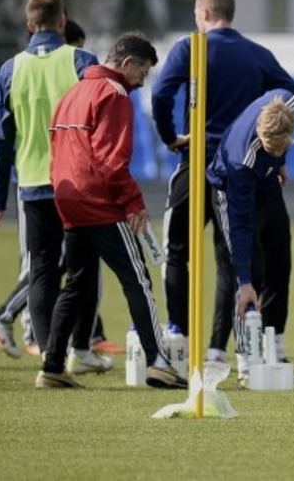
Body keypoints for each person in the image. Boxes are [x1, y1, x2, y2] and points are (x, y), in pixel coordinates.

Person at [151, 0, 294, 373]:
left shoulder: (191, 48)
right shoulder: (256, 54)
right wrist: (276, 151)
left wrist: (170, 136)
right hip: (246, 170)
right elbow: (292, 98)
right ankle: (240, 350)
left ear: (203, 14)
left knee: (178, 251)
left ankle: (178, 338)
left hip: (198, 159)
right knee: (238, 257)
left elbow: (161, 94)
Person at [37, 33, 184, 389]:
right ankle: (159, 363)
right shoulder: (114, 94)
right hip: (99, 201)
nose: (142, 82)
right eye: (142, 72)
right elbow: (112, 159)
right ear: (127, 63)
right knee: (138, 279)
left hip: (67, 197)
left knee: (76, 283)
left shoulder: (73, 93)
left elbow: (55, 147)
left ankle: (52, 366)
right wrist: (133, 203)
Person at [0, 0, 110, 376]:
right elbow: (102, 125)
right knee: (85, 267)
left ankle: (52, 361)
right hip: (77, 183)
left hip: (33, 183)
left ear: (29, 25)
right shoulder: (81, 61)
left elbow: (1, 140)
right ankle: (79, 350)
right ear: (62, 21)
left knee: (42, 270)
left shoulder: (11, 69)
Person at [208, 88, 294, 385]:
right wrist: (244, 280)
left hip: (268, 187)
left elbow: (287, 94)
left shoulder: (293, 103)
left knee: (280, 265)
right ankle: (247, 362)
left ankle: (275, 352)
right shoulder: (244, 161)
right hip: (231, 192)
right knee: (252, 275)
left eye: (281, 148)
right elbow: (239, 224)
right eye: (270, 147)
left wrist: (279, 162)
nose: (275, 152)